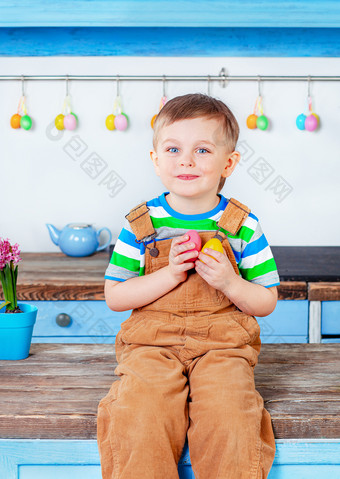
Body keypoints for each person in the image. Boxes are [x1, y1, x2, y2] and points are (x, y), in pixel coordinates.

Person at [97, 93, 280, 479]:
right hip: (152, 345)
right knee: (139, 415)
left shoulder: (243, 226)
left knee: (231, 416)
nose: (186, 160)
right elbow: (115, 296)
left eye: (202, 149)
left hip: (223, 348)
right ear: (155, 159)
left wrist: (230, 282)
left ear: (228, 162)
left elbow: (265, 301)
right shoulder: (141, 225)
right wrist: (168, 274)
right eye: (173, 148)